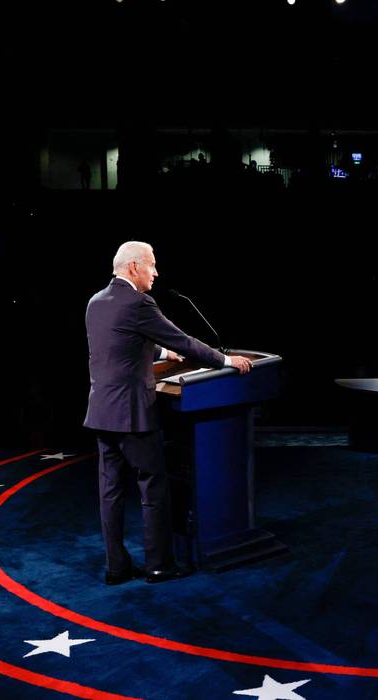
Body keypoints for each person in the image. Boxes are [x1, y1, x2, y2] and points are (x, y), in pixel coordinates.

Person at [84, 241, 253, 585]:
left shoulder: (96, 302)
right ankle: (159, 565)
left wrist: (159, 350)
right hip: (132, 414)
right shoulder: (139, 302)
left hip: (101, 412)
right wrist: (224, 360)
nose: (156, 272)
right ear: (133, 267)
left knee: (111, 492)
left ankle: (116, 567)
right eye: (151, 265)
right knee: (154, 487)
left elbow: (119, 345)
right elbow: (184, 340)